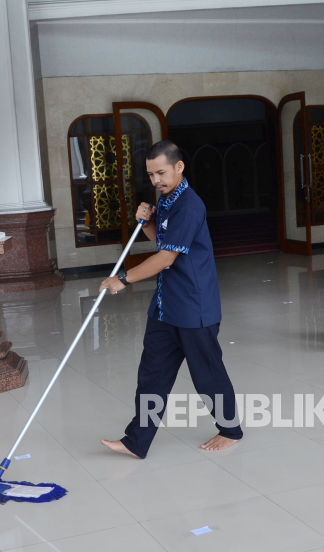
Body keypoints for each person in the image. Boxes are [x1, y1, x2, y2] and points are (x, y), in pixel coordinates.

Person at [99, 140, 243, 459]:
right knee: (152, 374)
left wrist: (123, 279)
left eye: (161, 173)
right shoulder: (166, 199)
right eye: (150, 175)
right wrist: (147, 222)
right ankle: (137, 440)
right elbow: (162, 240)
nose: (155, 181)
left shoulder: (190, 205)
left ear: (179, 167)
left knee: (207, 374)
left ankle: (231, 430)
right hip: (166, 306)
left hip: (194, 306)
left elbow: (166, 258)